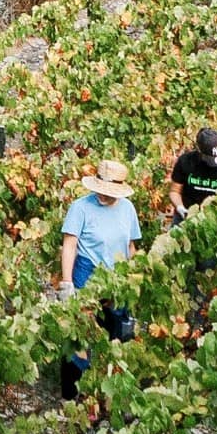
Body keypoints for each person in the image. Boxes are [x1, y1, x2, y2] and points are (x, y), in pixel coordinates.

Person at [58, 160, 141, 399]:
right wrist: (67, 283)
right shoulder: (80, 208)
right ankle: (71, 395)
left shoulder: (127, 209)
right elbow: (69, 246)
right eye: (101, 191)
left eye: (109, 192)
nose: (103, 196)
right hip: (87, 272)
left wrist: (133, 277)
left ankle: (106, 390)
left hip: (117, 277)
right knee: (79, 334)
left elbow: (130, 246)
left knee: (115, 332)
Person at [169, 129, 217, 222]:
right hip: (187, 214)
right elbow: (175, 191)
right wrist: (180, 207)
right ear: (199, 150)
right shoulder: (185, 162)